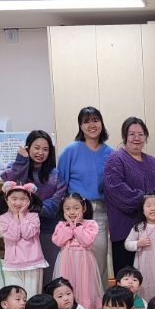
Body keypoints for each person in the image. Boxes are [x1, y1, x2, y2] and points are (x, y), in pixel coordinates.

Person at [104, 117, 155, 273]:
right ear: (124, 136)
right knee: (128, 278)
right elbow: (116, 189)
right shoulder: (115, 159)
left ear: (146, 137)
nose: (137, 138)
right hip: (126, 231)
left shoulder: (153, 161)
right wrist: (149, 204)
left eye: (141, 134)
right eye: (132, 134)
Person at [1, 130, 67, 285]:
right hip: (20, 230)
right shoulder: (16, 167)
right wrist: (21, 161)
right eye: (36, 148)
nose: (40, 153)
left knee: (50, 273)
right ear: (28, 147)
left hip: (48, 228)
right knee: (26, 277)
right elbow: (13, 187)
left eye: (45, 149)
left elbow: (56, 202)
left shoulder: (55, 174)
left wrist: (32, 209)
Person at [57, 106, 114, 285]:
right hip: (75, 212)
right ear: (80, 126)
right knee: (76, 260)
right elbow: (60, 184)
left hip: (101, 211)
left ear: (102, 123)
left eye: (95, 120)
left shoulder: (110, 153)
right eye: (86, 122)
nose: (92, 125)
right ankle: (74, 299)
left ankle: (99, 299)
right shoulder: (70, 151)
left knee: (99, 258)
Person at [52, 193, 104, 309]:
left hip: (84, 261)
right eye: (67, 208)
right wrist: (69, 225)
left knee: (84, 286)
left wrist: (76, 226)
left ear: (83, 208)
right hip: (66, 261)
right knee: (66, 285)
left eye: (76, 208)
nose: (72, 212)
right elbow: (59, 241)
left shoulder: (91, 224)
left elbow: (86, 241)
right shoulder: (61, 225)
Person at [0, 181, 47, 298]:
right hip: (12, 265)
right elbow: (13, 236)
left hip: (33, 263)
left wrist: (22, 216)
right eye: (14, 199)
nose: (18, 202)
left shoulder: (33, 216)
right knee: (15, 297)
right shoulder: (2, 218)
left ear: (29, 201)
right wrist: (15, 216)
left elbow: (27, 234)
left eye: (23, 199)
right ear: (6, 199)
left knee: (32, 297)